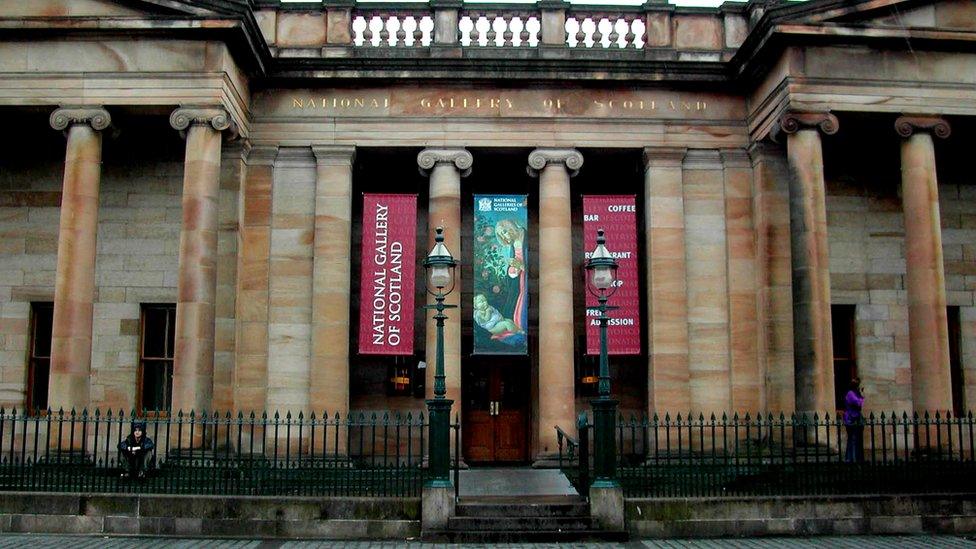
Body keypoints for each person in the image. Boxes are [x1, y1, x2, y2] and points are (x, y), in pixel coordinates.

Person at [844, 378, 865, 463]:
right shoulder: (850, 393)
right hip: (851, 418)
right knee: (852, 439)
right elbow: (858, 403)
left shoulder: (855, 394)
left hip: (856, 418)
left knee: (857, 439)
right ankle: (850, 458)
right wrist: (862, 396)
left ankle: (856, 457)